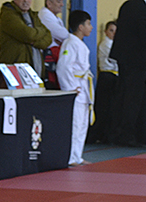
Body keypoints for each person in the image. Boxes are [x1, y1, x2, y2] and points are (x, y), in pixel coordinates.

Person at [109, 0, 146, 147]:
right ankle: (127, 135)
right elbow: (143, 36)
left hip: (122, 57)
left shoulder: (127, 4)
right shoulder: (143, 11)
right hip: (136, 60)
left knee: (122, 95)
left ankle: (115, 132)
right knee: (133, 99)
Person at [57, 10, 94, 166]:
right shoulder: (70, 43)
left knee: (83, 124)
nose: (91, 27)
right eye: (88, 24)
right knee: (76, 124)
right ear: (80, 26)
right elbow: (63, 67)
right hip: (76, 88)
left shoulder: (79, 43)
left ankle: (77, 156)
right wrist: (70, 87)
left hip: (84, 87)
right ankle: (71, 157)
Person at [0, 0, 52, 78]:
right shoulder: (8, 14)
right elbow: (28, 34)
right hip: (16, 70)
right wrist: (40, 32)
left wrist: (34, 42)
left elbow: (48, 38)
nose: (26, 1)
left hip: (35, 70)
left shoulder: (33, 15)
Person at [88, 20, 118, 143]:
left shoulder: (115, 43)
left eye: (116, 31)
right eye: (111, 30)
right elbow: (115, 60)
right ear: (105, 32)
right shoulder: (106, 44)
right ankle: (97, 135)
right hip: (107, 76)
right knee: (104, 107)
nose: (114, 33)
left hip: (114, 76)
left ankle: (106, 135)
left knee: (111, 108)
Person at [39, 0, 69, 89]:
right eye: (59, 2)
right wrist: (61, 40)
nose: (62, 5)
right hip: (47, 58)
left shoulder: (56, 18)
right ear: (49, 3)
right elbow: (64, 35)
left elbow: (65, 38)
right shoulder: (45, 15)